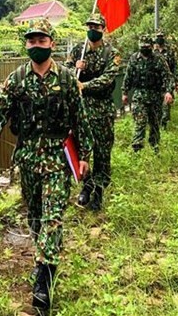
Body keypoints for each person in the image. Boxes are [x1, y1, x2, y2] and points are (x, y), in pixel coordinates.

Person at [0, 19, 93, 311]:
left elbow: (80, 118)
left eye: (41, 41)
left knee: (53, 216)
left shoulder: (65, 79)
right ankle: (44, 256)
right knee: (36, 216)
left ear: (52, 43)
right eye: (31, 41)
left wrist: (86, 154)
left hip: (56, 157)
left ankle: (44, 278)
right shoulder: (16, 79)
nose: (36, 46)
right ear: (26, 44)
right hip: (27, 156)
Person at [65, 14, 121, 211]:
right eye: (89, 26)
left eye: (96, 27)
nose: (92, 30)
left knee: (102, 152)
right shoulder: (78, 51)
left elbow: (108, 79)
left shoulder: (111, 53)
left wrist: (84, 85)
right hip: (82, 109)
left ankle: (98, 192)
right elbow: (66, 73)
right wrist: (75, 70)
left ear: (103, 29)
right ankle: (86, 187)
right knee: (83, 150)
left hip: (102, 109)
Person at [121, 35, 175, 153]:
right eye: (142, 46)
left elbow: (167, 76)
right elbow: (128, 76)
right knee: (140, 122)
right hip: (139, 96)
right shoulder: (134, 58)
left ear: (151, 46)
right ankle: (137, 149)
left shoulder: (159, 59)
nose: (144, 48)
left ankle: (154, 146)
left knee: (155, 123)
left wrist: (168, 91)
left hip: (155, 96)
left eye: (147, 46)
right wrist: (124, 92)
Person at [154, 30, 178, 128]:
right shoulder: (153, 52)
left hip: (167, 81)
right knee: (156, 105)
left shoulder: (169, 52)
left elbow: (175, 67)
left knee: (166, 104)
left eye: (161, 36)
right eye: (158, 36)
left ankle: (164, 126)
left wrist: (177, 82)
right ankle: (157, 124)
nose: (159, 38)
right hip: (156, 82)